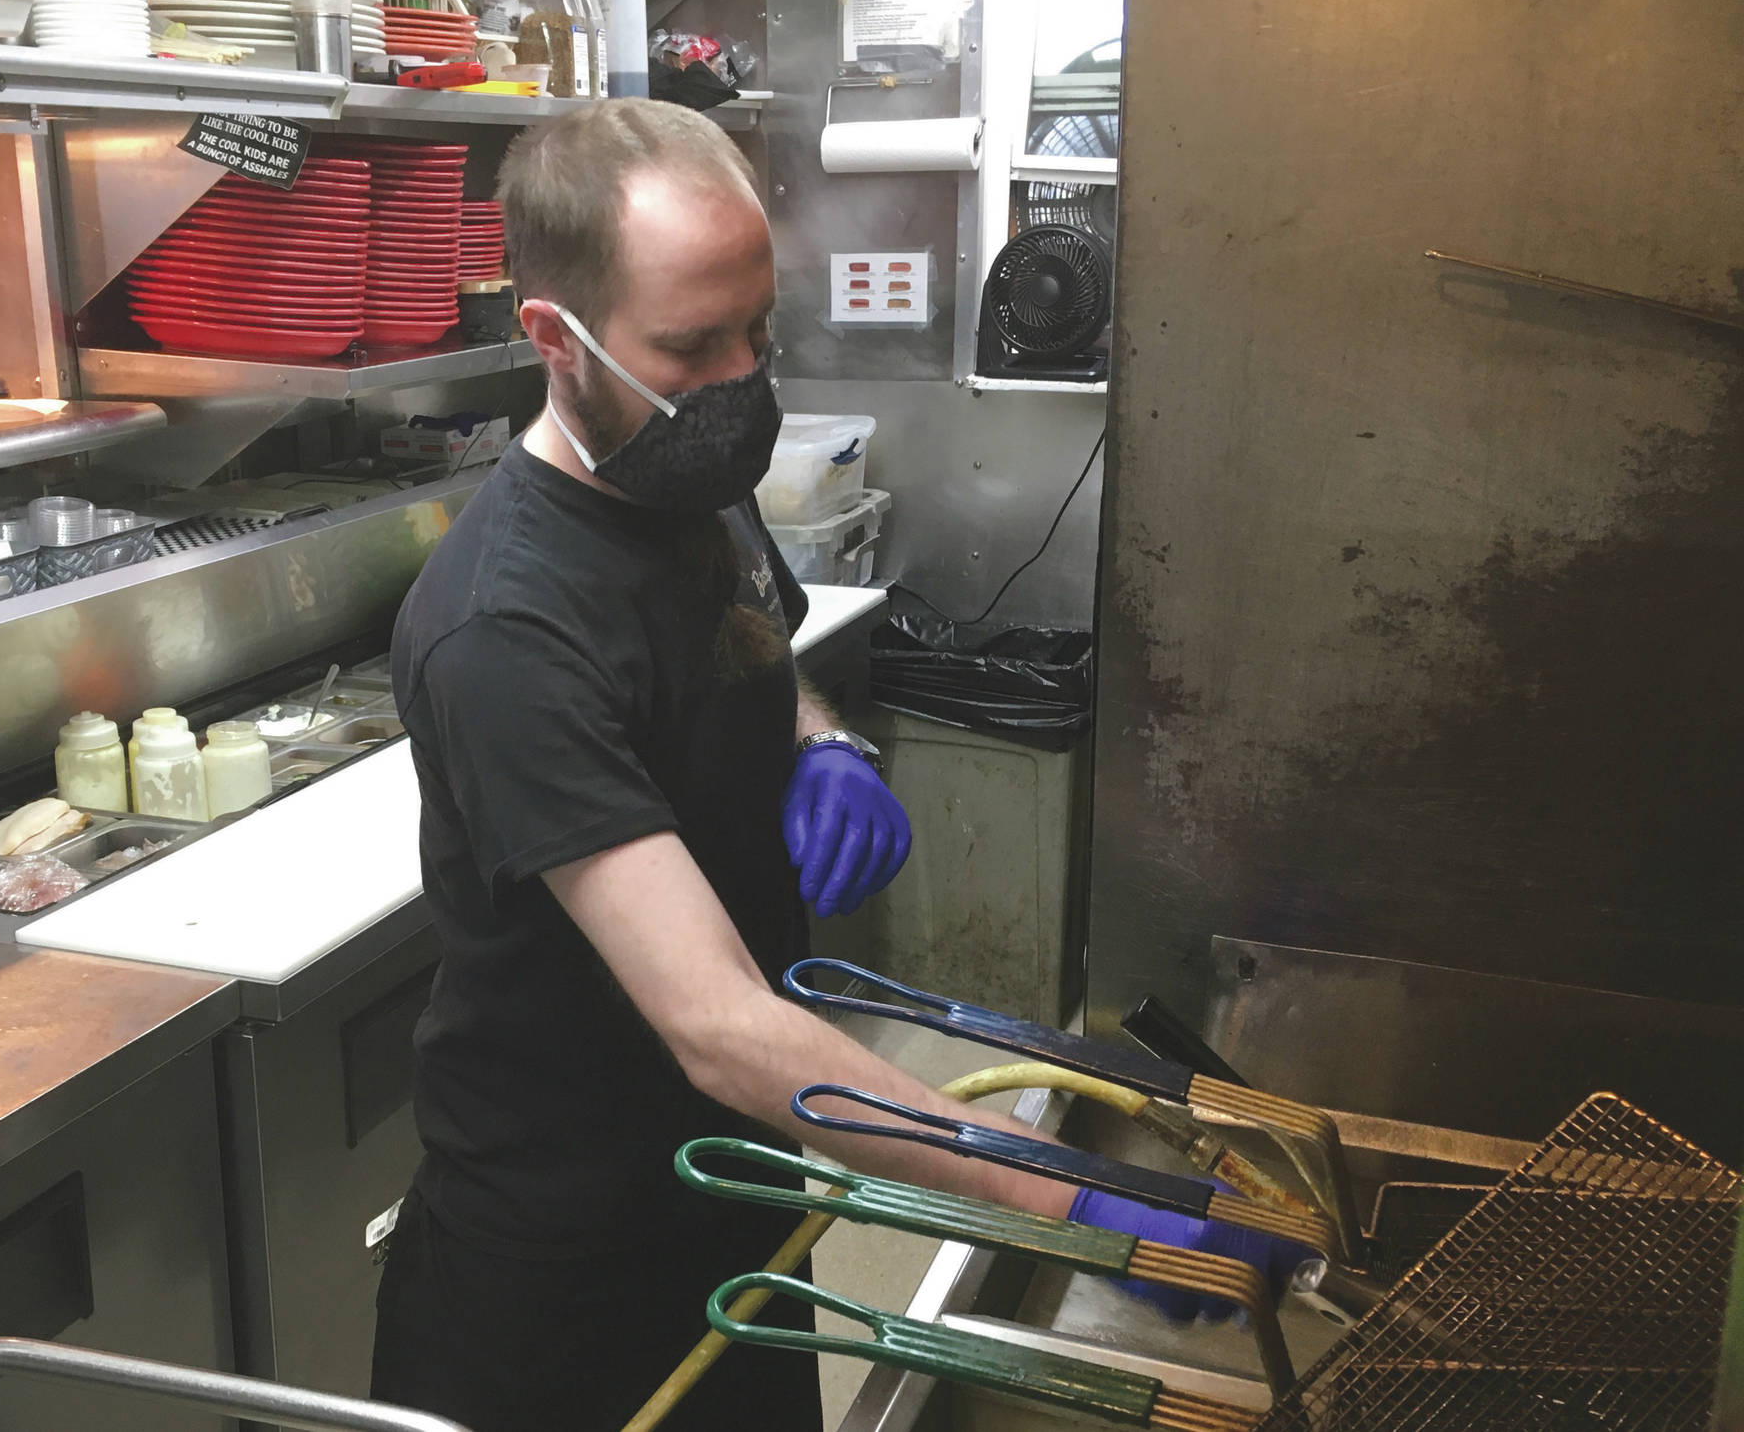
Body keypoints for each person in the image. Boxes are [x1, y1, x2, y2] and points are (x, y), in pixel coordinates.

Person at [369, 101, 1300, 1432]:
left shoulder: (690, 465)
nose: (742, 380)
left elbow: (751, 634)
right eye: (692, 346)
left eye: (758, 331)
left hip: (740, 1184)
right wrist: (1085, 1207)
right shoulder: (507, 627)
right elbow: (718, 1026)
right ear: (553, 341)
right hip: (563, 1270)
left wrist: (820, 739)